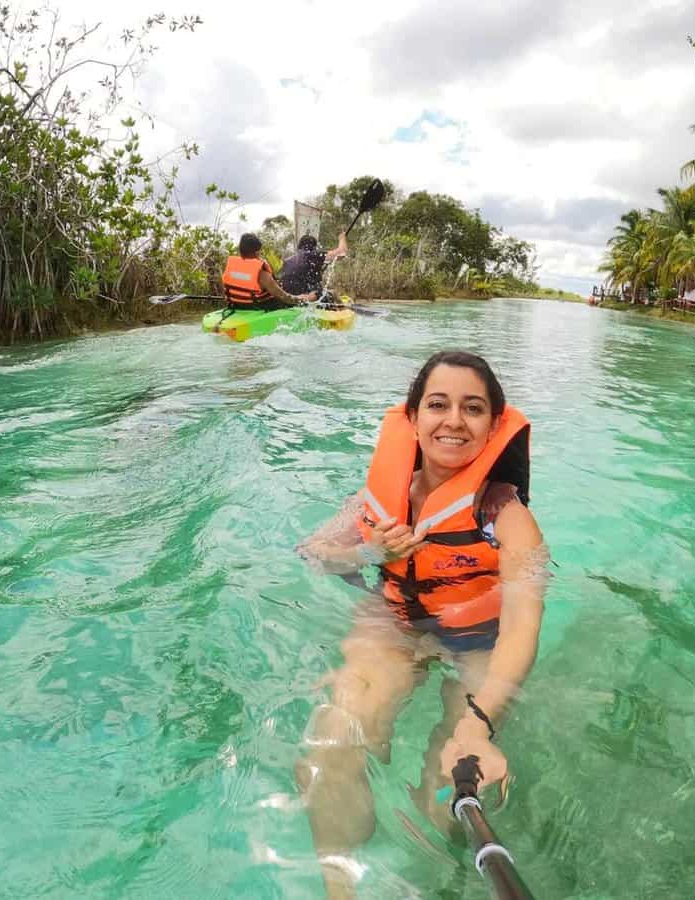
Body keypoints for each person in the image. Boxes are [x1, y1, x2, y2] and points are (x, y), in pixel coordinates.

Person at [296, 351, 548, 899]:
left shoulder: (508, 517)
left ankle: (432, 878)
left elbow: (524, 626)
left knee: (453, 784)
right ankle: (339, 887)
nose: (453, 420)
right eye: (438, 404)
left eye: (473, 408)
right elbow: (313, 555)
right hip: (396, 627)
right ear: (412, 418)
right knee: (333, 738)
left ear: (493, 425)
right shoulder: (373, 504)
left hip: (478, 642)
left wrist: (479, 723)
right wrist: (370, 550)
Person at [222, 233, 314, 309]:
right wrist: (303, 299)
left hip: (236, 306)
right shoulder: (262, 273)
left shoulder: (230, 267)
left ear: (240, 250)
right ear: (257, 252)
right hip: (257, 307)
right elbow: (284, 297)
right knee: (301, 301)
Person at [279, 231, 349, 298]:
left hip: (288, 297)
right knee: (332, 294)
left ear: (299, 246)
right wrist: (342, 238)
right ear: (314, 247)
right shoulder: (311, 254)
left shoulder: (287, 260)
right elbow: (341, 252)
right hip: (305, 298)